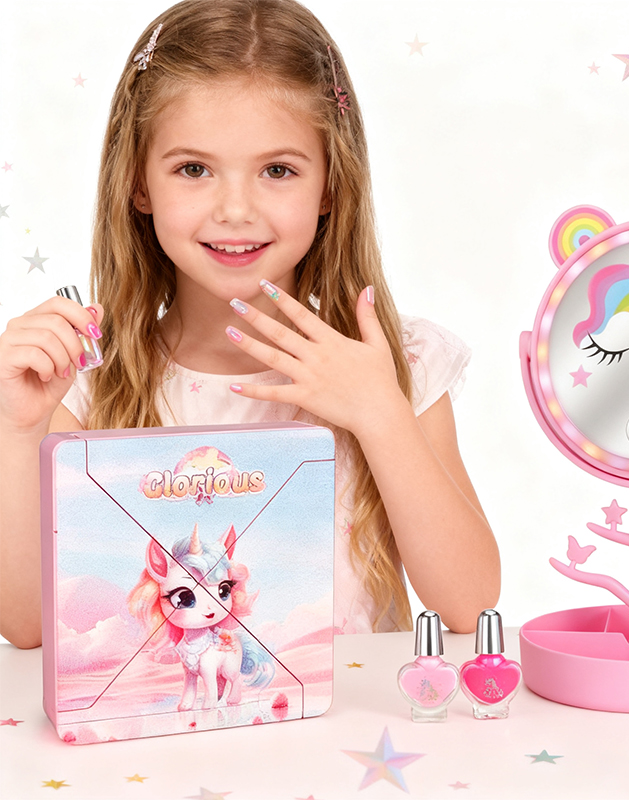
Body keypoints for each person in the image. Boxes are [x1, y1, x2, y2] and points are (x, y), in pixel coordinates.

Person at [0, 0, 500, 649]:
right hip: (165, 750)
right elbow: (28, 625)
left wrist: (380, 412)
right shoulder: (88, 386)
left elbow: (470, 604)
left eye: (278, 170)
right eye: (194, 169)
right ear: (138, 183)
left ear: (329, 188)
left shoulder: (395, 362)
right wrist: (17, 432)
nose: (236, 209)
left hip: (350, 746)